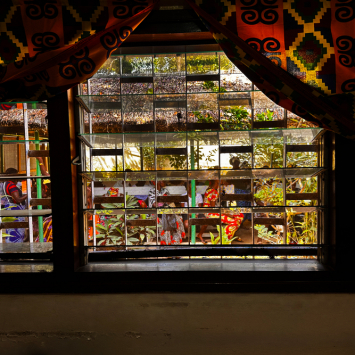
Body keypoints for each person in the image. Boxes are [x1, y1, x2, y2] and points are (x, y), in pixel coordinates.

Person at [196, 179, 244, 244]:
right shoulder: (212, 191)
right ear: (217, 181)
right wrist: (227, 214)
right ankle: (222, 239)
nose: (222, 180)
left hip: (213, 211)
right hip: (210, 213)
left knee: (239, 216)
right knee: (234, 221)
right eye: (220, 179)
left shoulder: (213, 189)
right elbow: (213, 209)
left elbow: (223, 195)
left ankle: (225, 235)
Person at [148, 180, 185, 245]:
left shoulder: (165, 190)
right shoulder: (152, 192)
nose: (165, 182)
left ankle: (175, 241)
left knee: (178, 219)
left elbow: (170, 202)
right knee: (163, 221)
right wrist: (163, 200)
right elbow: (154, 205)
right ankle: (166, 242)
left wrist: (167, 200)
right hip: (156, 213)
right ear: (158, 182)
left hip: (168, 211)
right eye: (163, 181)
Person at [1, 168, 27, 243]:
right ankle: (16, 249)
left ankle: (11, 248)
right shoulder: (11, 184)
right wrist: (28, 194)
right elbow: (18, 199)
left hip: (10, 208)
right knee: (17, 230)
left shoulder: (5, 183)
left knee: (11, 230)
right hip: (15, 209)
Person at [230, 157, 252, 228]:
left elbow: (247, 179)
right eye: (235, 162)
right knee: (241, 207)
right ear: (232, 163)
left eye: (237, 162)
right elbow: (227, 182)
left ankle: (241, 223)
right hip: (238, 190)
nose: (237, 163)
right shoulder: (230, 172)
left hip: (245, 190)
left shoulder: (242, 171)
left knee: (246, 207)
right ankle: (239, 224)